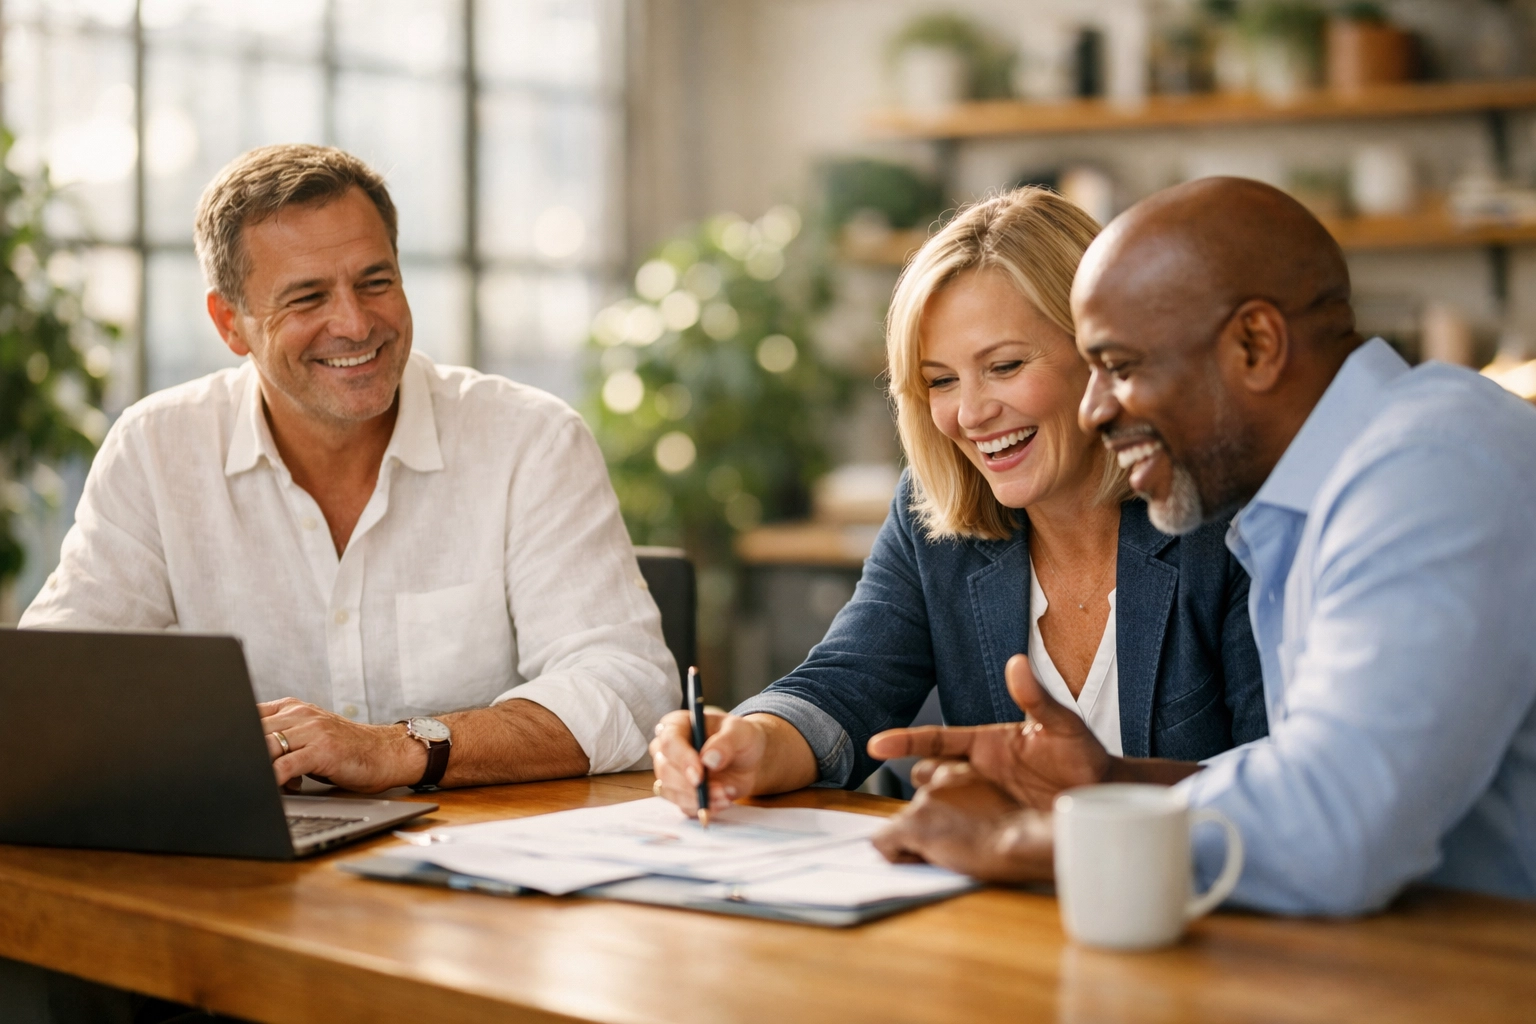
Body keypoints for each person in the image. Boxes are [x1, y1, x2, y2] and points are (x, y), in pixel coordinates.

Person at [869, 177, 1536, 914]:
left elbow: (1336, 827)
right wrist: (1110, 783)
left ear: (1255, 345)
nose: (1094, 409)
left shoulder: (1431, 468)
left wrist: (1017, 840)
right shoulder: (1310, 500)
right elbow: (1298, 777)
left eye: (1121, 368)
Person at [20, 144, 678, 792]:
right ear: (230, 323)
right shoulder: (155, 450)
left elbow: (628, 687)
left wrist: (398, 748)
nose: (356, 324)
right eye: (307, 298)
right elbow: (46, 691)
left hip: (481, 850)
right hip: (254, 853)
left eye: (375, 282)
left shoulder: (531, 440)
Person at [650, 187, 1267, 815]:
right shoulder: (932, 519)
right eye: (941, 380)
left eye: (1004, 366)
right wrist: (752, 741)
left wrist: (1110, 792)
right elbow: (846, 685)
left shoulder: (1224, 516)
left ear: (1103, 354)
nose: (969, 414)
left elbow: (1285, 775)